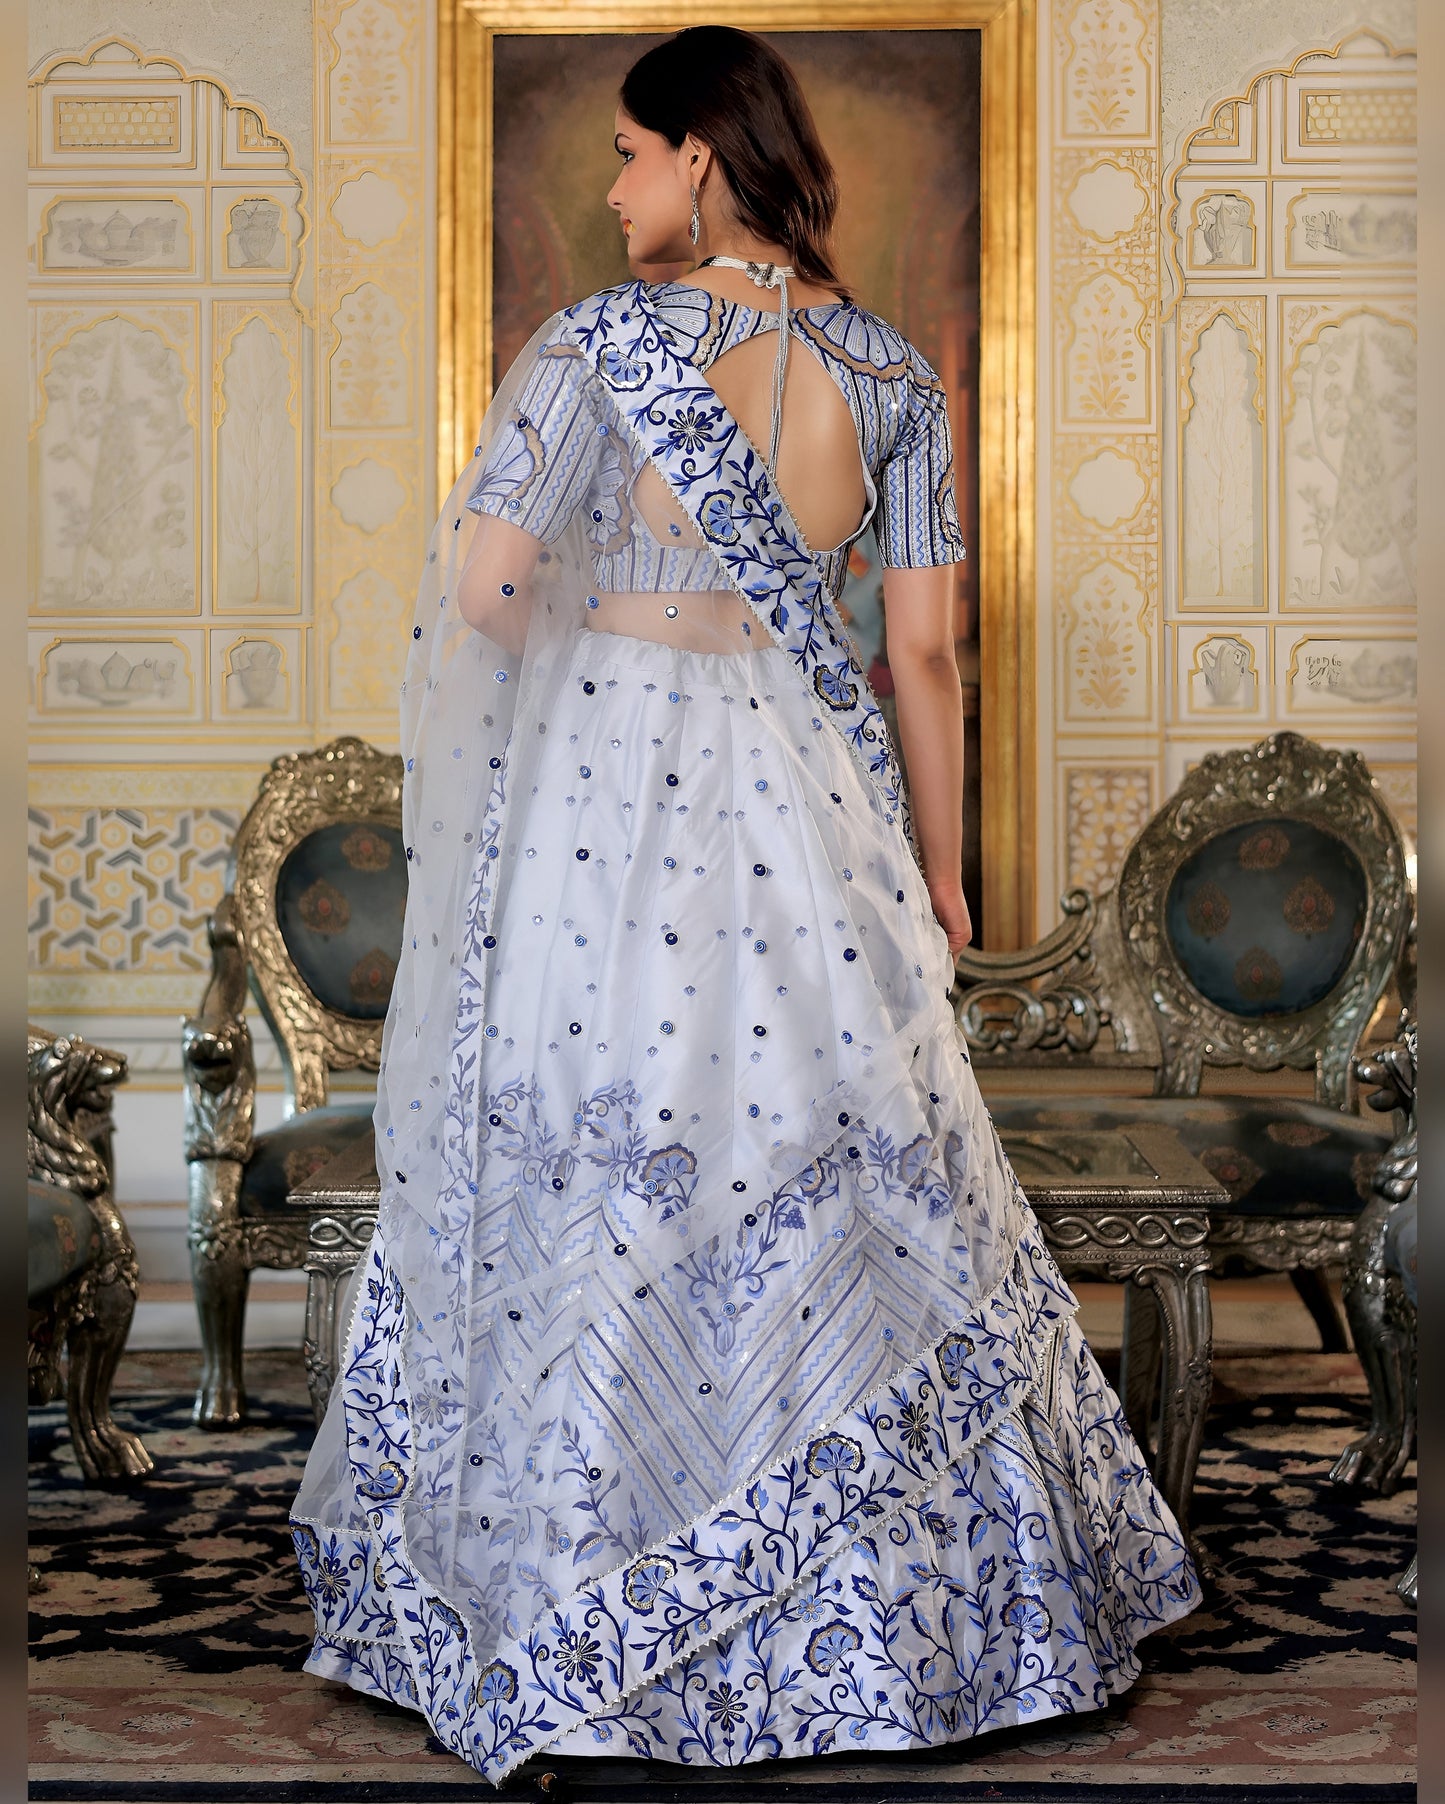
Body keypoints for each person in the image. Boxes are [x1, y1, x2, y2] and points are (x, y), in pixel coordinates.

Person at [290, 25, 1198, 1786]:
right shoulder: (895, 377)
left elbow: (483, 588)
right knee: (829, 1156)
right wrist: (936, 875)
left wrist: (577, 614)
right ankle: (894, 1618)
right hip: (810, 799)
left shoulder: (588, 352)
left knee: (593, 1141)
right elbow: (925, 653)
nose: (616, 187)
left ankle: (579, 1567)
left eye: (632, 154)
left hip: (605, 801)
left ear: (702, 156)